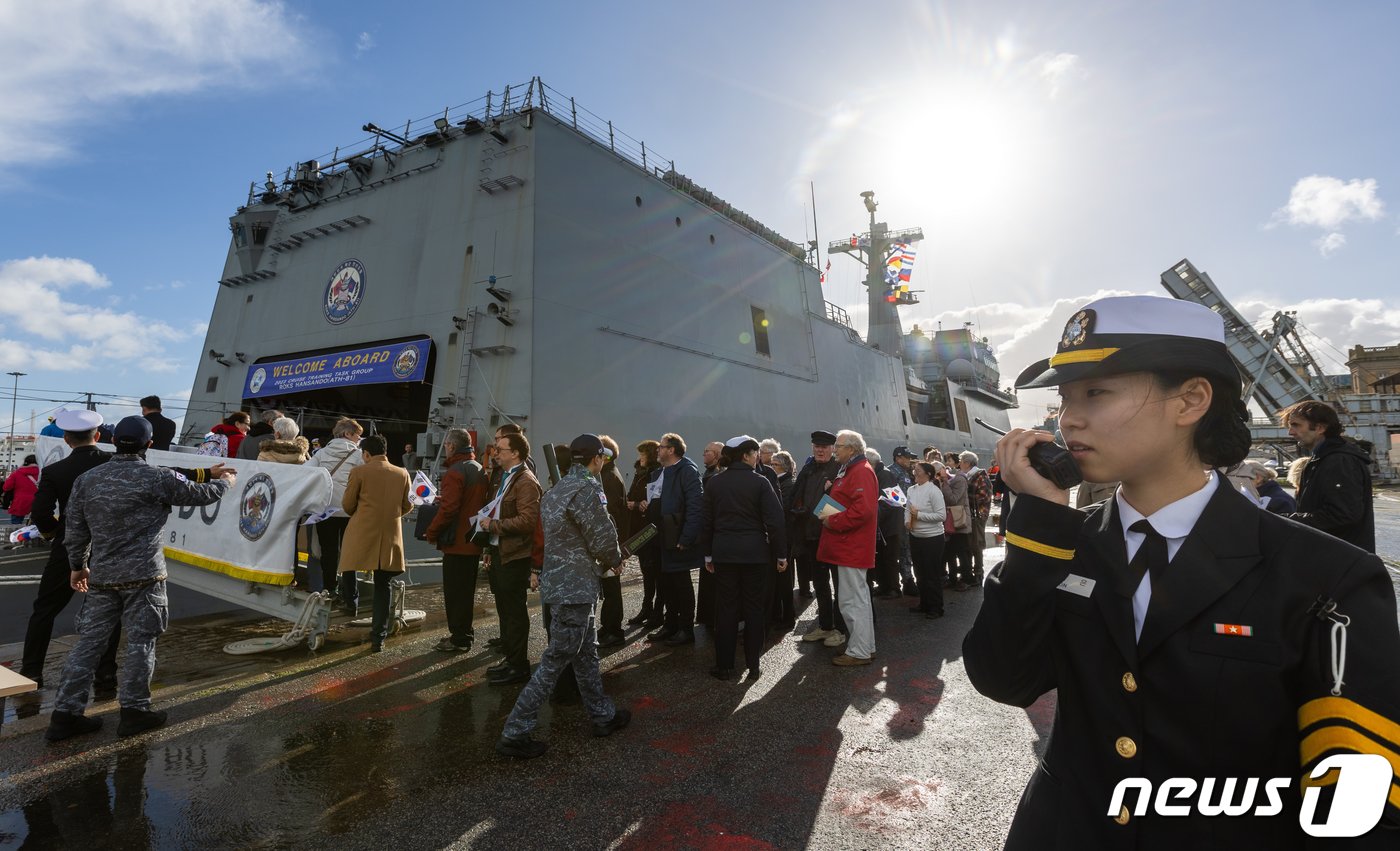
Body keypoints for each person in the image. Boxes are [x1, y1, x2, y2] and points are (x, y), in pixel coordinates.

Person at [963, 295, 1400, 847]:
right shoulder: (1062, 546)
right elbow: (1005, 680)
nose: (1067, 419)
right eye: (1064, 399)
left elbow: (1357, 805)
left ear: (1191, 400)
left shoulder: (1327, 576)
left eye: (1096, 392)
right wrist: (1038, 530)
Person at [45, 416, 234, 743]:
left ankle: (65, 716)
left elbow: (75, 530)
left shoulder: (87, 481)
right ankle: (134, 712)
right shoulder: (157, 477)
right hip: (145, 576)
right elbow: (200, 495)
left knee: (89, 643)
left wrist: (78, 566)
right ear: (149, 444)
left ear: (113, 441)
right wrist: (226, 482)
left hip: (102, 576)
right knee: (141, 641)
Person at [495, 434, 631, 759]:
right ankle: (515, 732)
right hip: (577, 589)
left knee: (585, 655)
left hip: (558, 587)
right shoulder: (588, 489)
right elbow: (601, 536)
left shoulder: (555, 491)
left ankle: (602, 715)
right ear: (597, 459)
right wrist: (615, 559)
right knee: (554, 662)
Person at [701, 436, 787, 680]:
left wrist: (708, 554)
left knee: (726, 609)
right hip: (755, 554)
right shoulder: (760, 482)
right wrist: (781, 554)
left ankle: (725, 665)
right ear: (746, 455)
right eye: (755, 452)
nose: (758, 456)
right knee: (754, 609)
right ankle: (753, 665)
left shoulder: (714, 483)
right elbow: (775, 521)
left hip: (724, 553)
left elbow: (706, 522)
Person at [338, 435, 413, 652]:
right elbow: (407, 505)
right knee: (384, 585)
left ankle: (350, 603)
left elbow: (347, 504)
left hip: (362, 532)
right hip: (390, 534)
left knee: (348, 566)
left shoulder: (359, 472)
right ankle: (378, 637)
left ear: (366, 454)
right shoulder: (402, 473)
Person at [481, 429, 543, 684]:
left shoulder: (526, 481)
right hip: (500, 551)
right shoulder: (506, 477)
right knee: (506, 610)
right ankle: (511, 658)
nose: (496, 453)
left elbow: (528, 521)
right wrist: (488, 546)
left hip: (514, 555)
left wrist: (493, 527)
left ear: (515, 453)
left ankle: (519, 666)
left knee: (514, 612)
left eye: (501, 449)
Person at [1281, 399, 1376, 553]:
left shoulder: (1339, 461)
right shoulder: (1323, 460)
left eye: (1296, 425)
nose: (1290, 432)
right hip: (1332, 558)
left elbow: (1343, 515)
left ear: (1319, 428)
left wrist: (1285, 519)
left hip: (1339, 561)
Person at [424, 428, 488, 653]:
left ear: (451, 446)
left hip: (457, 543)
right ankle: (464, 634)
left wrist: (431, 532)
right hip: (473, 541)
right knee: (466, 592)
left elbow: (450, 509)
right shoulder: (478, 468)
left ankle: (459, 638)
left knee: (455, 593)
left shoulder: (455, 471)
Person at [818, 430, 878, 666]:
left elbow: (864, 511)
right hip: (848, 545)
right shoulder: (852, 470)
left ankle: (859, 651)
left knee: (851, 600)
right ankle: (865, 647)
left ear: (852, 449)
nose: (835, 450)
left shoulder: (860, 471)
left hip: (850, 546)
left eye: (839, 446)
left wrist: (831, 520)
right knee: (856, 599)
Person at [644, 432, 704, 646]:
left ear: (672, 450)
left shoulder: (687, 471)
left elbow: (696, 506)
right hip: (659, 536)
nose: (658, 450)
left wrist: (686, 537)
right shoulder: (659, 472)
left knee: (681, 583)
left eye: (661, 446)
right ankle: (669, 625)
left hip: (676, 534)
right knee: (665, 582)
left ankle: (686, 628)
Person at [304, 418, 365, 604]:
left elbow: (305, 473)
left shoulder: (321, 453)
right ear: (348, 434)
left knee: (328, 551)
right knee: (349, 552)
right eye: (358, 435)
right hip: (349, 511)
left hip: (325, 510)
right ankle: (350, 595)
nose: (359, 439)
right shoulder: (359, 455)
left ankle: (330, 588)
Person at [793, 431, 845, 642]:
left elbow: (841, 504)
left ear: (832, 448)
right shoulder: (808, 468)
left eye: (824, 447)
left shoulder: (839, 469)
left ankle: (840, 630)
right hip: (811, 536)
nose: (820, 450)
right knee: (820, 584)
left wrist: (815, 514)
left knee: (840, 585)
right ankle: (825, 625)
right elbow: (797, 495)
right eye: (817, 446)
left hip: (830, 534)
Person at [625, 440, 664, 629]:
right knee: (646, 571)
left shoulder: (655, 474)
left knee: (654, 572)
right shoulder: (639, 473)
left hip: (650, 529)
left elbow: (653, 499)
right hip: (639, 528)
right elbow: (633, 493)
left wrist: (638, 502)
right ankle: (647, 607)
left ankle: (656, 610)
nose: (640, 458)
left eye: (642, 454)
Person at [595, 435, 629, 647]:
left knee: (612, 588)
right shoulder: (608, 475)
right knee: (609, 587)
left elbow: (611, 515)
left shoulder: (608, 478)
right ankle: (608, 626)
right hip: (612, 542)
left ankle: (614, 630)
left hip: (612, 543)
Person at [905, 461, 946, 619]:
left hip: (932, 538)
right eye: (914, 469)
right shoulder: (911, 489)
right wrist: (907, 521)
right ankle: (924, 603)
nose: (914, 471)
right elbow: (908, 509)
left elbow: (941, 516)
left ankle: (936, 607)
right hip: (915, 536)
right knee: (920, 573)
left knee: (931, 574)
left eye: (918, 470)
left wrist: (919, 516)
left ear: (928, 474)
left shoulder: (934, 491)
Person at [769, 450, 799, 630]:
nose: (771, 467)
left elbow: (783, 509)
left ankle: (787, 615)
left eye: (774, 465)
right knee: (778, 579)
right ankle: (778, 613)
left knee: (784, 579)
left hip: (785, 536)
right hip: (780, 535)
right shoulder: (779, 482)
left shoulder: (788, 484)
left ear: (784, 467)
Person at [889, 446, 920, 597]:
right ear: (898, 458)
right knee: (902, 549)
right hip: (899, 517)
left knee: (906, 548)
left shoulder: (905, 472)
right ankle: (906, 580)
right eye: (907, 458)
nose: (910, 460)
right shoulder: (892, 473)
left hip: (906, 515)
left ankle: (907, 579)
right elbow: (892, 496)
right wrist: (904, 504)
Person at [939, 460, 973, 591]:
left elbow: (953, 499)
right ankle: (953, 579)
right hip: (952, 522)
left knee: (962, 553)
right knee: (950, 552)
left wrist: (944, 482)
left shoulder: (959, 480)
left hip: (959, 522)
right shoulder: (954, 479)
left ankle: (966, 579)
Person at [959, 451, 992, 584]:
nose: (959, 464)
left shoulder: (979, 476)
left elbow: (984, 496)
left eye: (961, 462)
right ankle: (972, 572)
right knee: (969, 544)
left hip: (978, 514)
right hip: (970, 514)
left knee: (976, 544)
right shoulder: (969, 475)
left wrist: (966, 498)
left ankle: (978, 573)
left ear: (967, 463)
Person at [3, 453, 40, 523]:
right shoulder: (43, 473)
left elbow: (6, 487)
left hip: (20, 502)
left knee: (16, 524)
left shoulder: (17, 473)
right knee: (36, 527)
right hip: (37, 502)